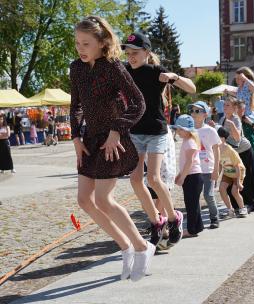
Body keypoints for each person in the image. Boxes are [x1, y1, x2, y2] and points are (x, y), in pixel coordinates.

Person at [70, 16, 155, 282]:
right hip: (89, 141)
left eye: (86, 43)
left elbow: (138, 103)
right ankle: (125, 246)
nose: (81, 49)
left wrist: (117, 130)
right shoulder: (76, 69)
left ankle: (142, 246)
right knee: (84, 200)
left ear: (102, 43)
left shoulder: (114, 67)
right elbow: (76, 105)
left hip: (112, 142)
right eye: (77, 43)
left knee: (105, 199)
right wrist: (75, 137)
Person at [122, 32, 196, 247]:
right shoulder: (125, 71)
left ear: (146, 52)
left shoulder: (155, 71)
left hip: (156, 132)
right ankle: (156, 220)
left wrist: (173, 77)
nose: (131, 57)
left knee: (154, 178)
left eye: (135, 53)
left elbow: (192, 89)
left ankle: (174, 218)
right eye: (128, 53)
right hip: (135, 132)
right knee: (135, 179)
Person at [212, 97, 254, 213]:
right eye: (224, 105)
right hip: (231, 153)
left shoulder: (236, 119)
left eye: (228, 105)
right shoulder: (222, 119)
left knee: (245, 180)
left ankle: (250, 203)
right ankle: (237, 206)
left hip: (243, 151)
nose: (225, 107)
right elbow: (220, 135)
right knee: (230, 179)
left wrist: (232, 126)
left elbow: (237, 138)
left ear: (234, 108)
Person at [189, 101, 221, 229]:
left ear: (205, 114)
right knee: (194, 197)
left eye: (197, 111)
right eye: (192, 111)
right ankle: (198, 221)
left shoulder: (210, 130)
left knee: (208, 195)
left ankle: (214, 217)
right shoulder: (189, 131)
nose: (193, 113)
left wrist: (216, 169)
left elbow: (216, 149)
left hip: (208, 168)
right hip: (194, 169)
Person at [173, 115, 204, 237]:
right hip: (190, 176)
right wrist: (179, 174)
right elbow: (185, 162)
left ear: (187, 130)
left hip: (193, 176)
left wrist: (182, 177)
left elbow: (189, 162)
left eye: (180, 129)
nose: (178, 131)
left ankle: (191, 230)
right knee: (193, 203)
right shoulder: (187, 141)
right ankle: (197, 227)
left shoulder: (190, 142)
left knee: (191, 204)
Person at [236, 101, 254, 203]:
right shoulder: (234, 122)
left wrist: (250, 123)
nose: (241, 111)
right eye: (239, 109)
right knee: (246, 176)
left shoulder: (248, 119)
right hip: (242, 152)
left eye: (243, 109)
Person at [217, 127, 248, 217]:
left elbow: (237, 166)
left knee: (234, 191)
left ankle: (242, 208)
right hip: (227, 173)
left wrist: (238, 182)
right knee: (222, 189)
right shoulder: (216, 149)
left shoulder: (230, 150)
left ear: (222, 138)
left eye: (216, 137)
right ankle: (230, 209)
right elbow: (219, 164)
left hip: (238, 172)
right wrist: (216, 177)